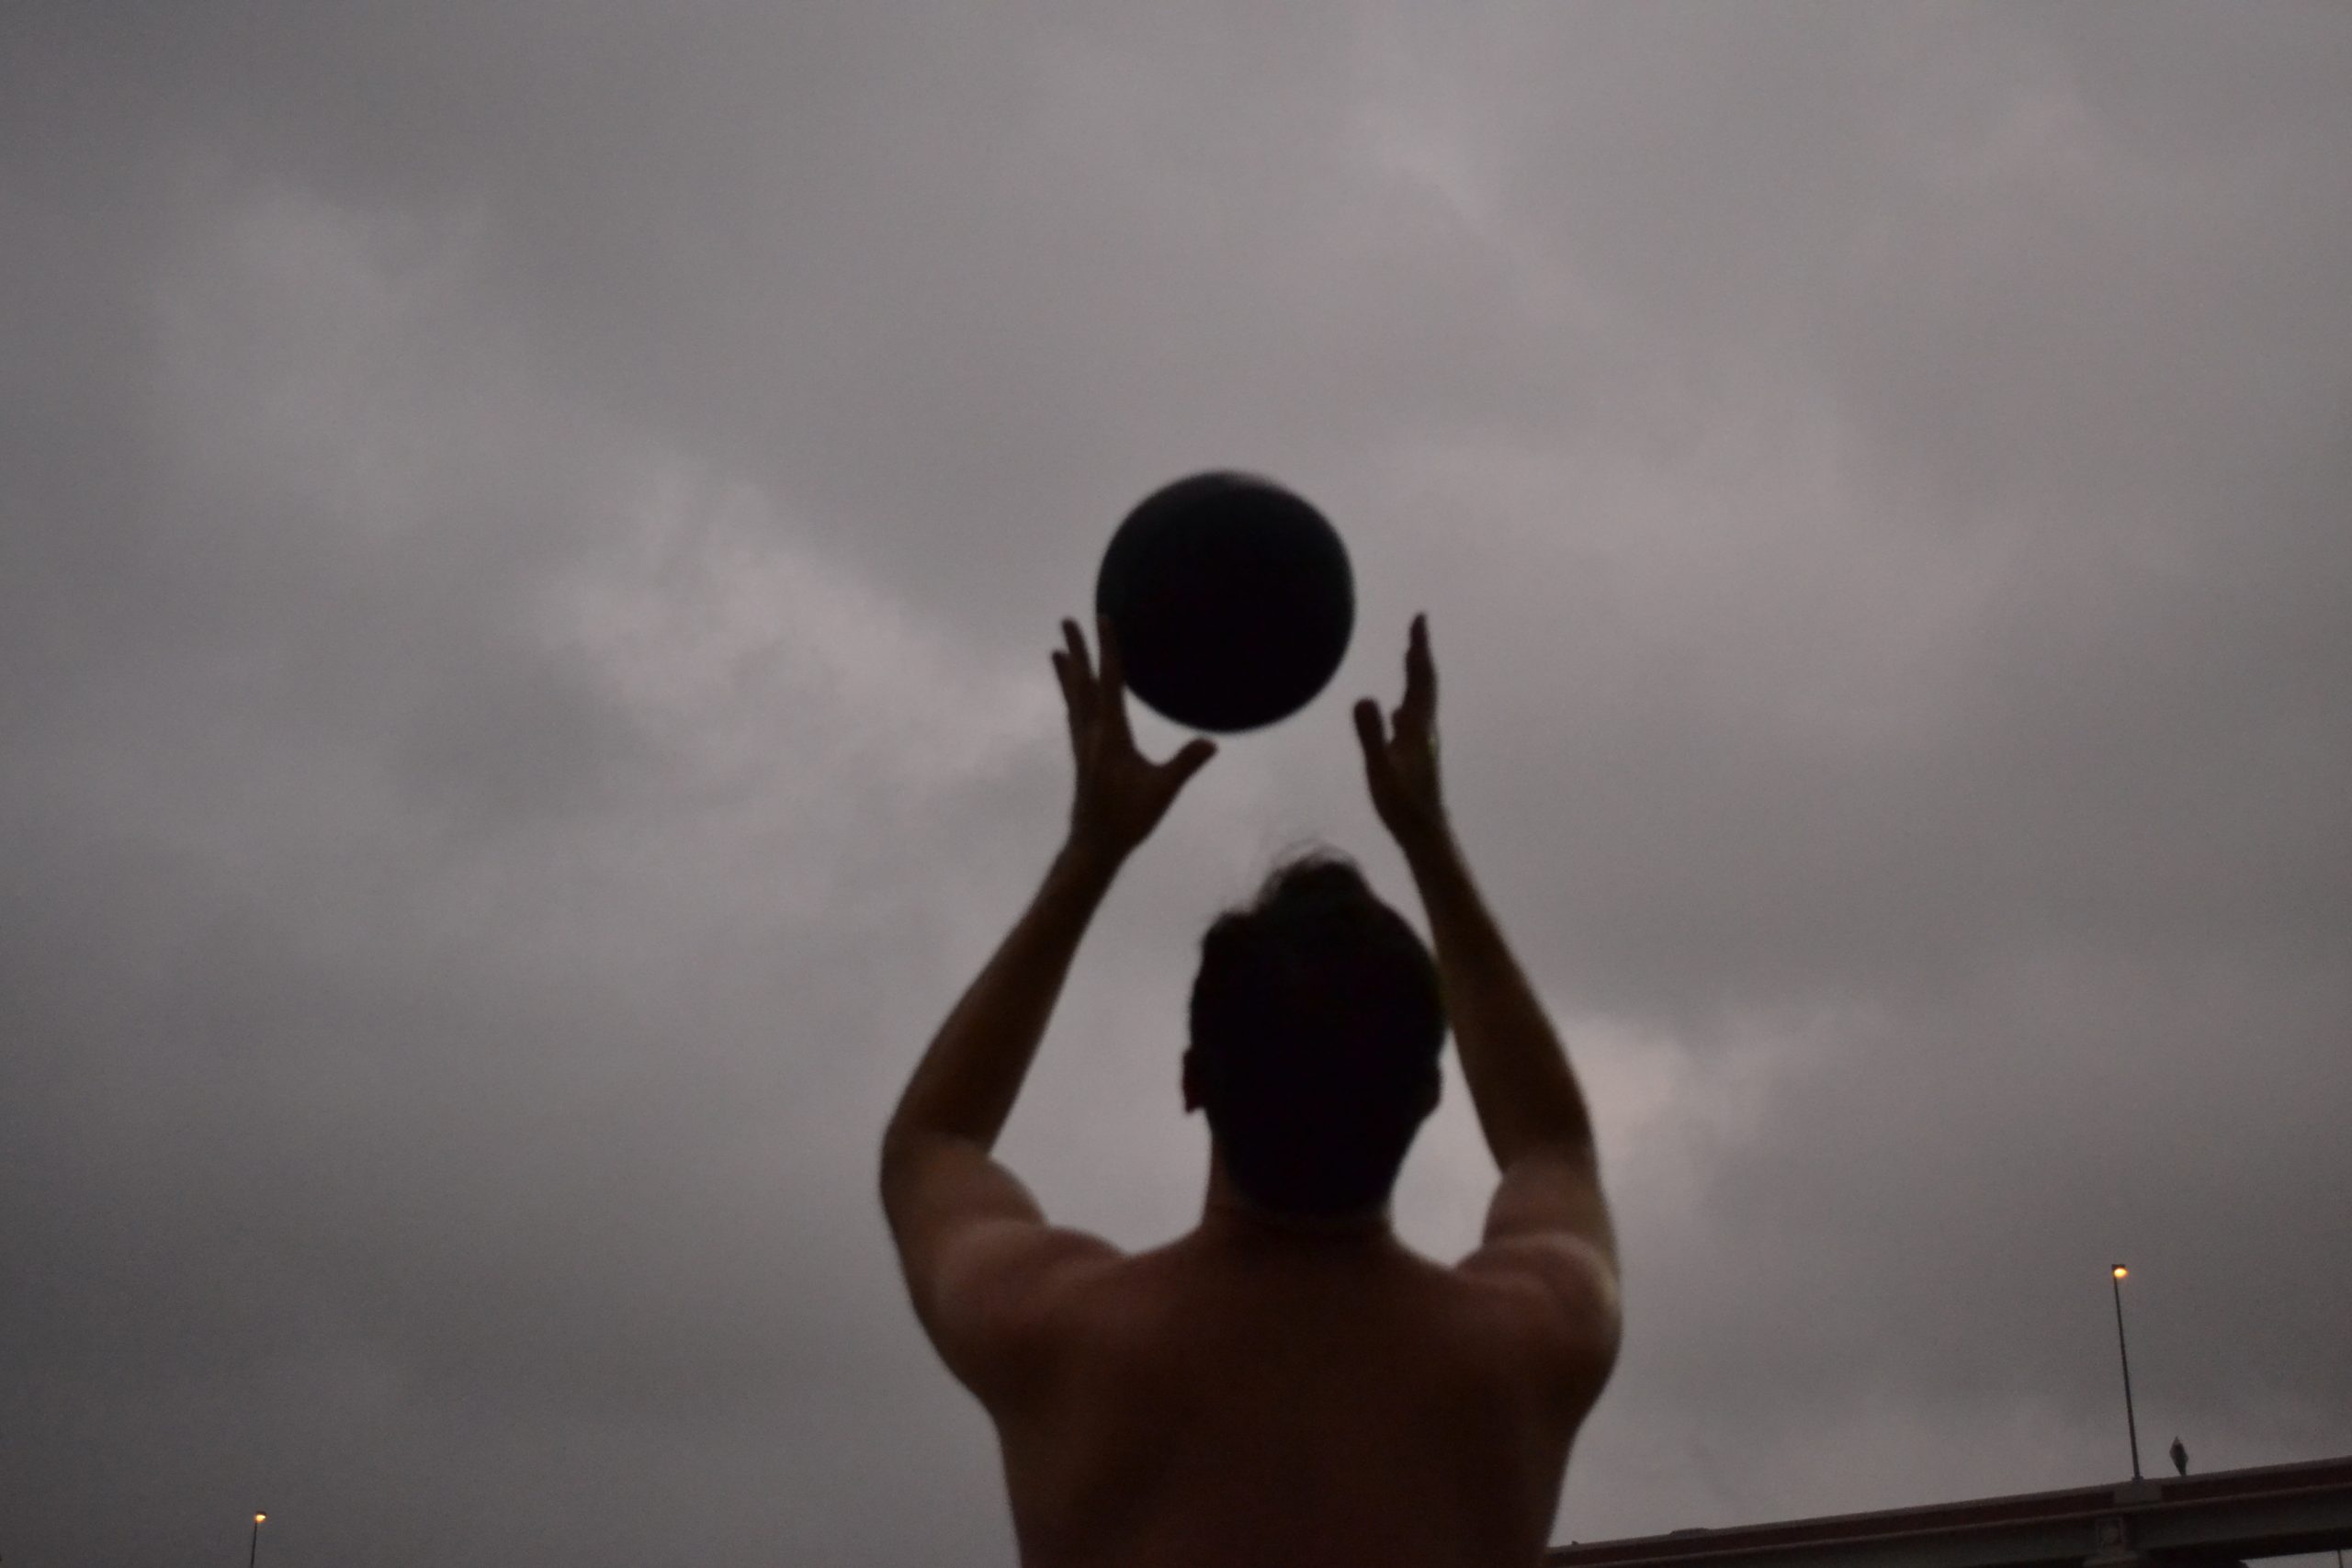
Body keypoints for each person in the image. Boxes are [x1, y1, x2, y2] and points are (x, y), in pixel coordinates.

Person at [880, 614, 1621, 1567]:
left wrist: (1090, 853)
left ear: (1194, 1079)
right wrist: (1430, 841)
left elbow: (934, 1142)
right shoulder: (1528, 1343)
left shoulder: (1062, 1335)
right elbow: (1550, 1145)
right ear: (1431, 1093)